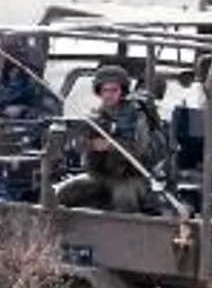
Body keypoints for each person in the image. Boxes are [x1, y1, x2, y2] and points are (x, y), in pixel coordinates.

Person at [54, 65, 161, 214]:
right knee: (61, 194)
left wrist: (110, 146)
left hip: (130, 177)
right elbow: (78, 148)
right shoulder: (96, 117)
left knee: (124, 200)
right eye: (105, 90)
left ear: (122, 91)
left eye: (114, 90)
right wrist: (85, 143)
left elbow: (141, 149)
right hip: (100, 176)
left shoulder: (136, 116)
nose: (109, 95)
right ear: (99, 92)